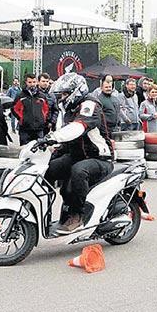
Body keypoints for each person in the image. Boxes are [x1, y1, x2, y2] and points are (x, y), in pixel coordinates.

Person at [43, 74, 114, 235]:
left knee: (78, 171)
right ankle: (46, 214)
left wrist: (53, 137)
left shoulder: (90, 105)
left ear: (76, 91)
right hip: (77, 155)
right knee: (48, 169)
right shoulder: (68, 109)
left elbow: (78, 127)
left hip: (99, 158)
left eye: (65, 94)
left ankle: (78, 215)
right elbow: (64, 136)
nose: (62, 98)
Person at [12, 73, 49, 145]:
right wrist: (22, 118)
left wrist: (43, 119)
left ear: (37, 82)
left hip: (39, 129)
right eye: (30, 82)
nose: (32, 84)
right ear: (26, 82)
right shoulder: (20, 95)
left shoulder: (42, 96)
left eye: (34, 82)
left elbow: (46, 109)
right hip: (25, 129)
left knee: (39, 151)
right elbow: (14, 109)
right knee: (24, 151)